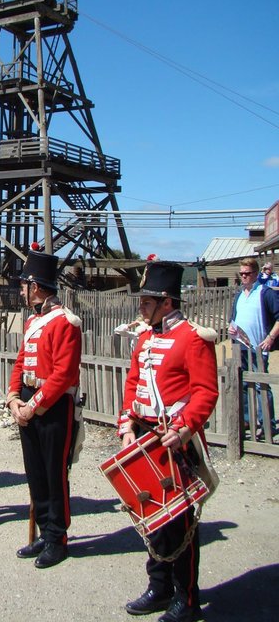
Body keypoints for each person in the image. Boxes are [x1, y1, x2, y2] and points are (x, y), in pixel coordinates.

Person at [119, 261, 219, 622]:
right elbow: (133, 383)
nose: (140, 307)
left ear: (166, 301)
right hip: (143, 435)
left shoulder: (193, 338)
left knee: (179, 523)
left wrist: (182, 429)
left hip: (173, 438)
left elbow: (206, 393)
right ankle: (158, 586)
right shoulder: (146, 337)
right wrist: (126, 423)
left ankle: (186, 597)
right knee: (151, 516)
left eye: (146, 301)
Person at [6, 246, 82, 569]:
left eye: (24, 285)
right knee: (35, 472)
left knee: (54, 473)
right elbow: (21, 362)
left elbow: (63, 374)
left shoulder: (66, 322)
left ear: (35, 287)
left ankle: (57, 537)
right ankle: (43, 531)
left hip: (51, 407)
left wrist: (32, 406)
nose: (22, 290)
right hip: (29, 404)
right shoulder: (32, 323)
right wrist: (12, 398)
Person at [228, 256, 279, 437]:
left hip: (258, 347)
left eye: (247, 274)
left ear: (256, 274)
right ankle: (248, 420)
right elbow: (233, 319)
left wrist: (270, 338)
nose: (243, 277)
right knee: (241, 384)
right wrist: (232, 329)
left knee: (261, 385)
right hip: (240, 346)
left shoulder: (265, 293)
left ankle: (267, 423)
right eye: (241, 274)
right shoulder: (240, 295)